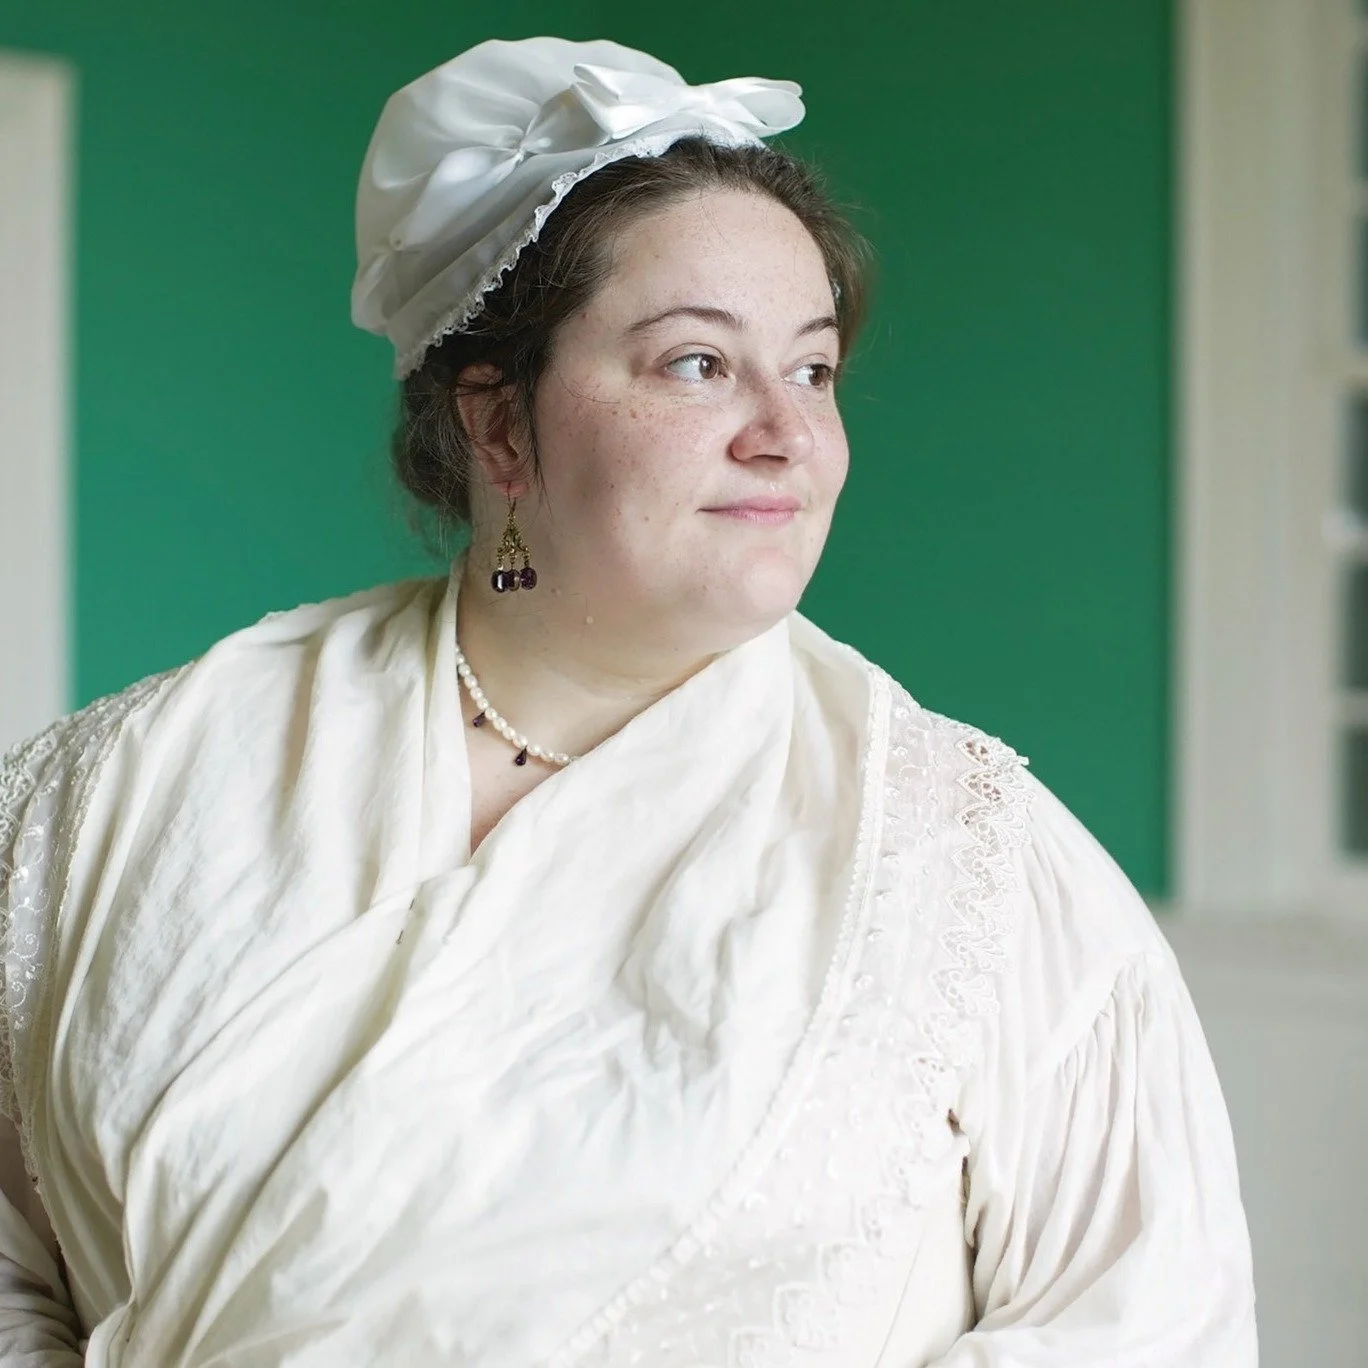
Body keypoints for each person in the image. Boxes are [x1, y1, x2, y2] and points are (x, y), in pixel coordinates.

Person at [0, 35, 1256, 1367]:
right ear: (498, 426)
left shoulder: (975, 868)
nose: (791, 433)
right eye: (698, 364)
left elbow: (1152, 1327)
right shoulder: (123, 790)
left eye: (814, 368)